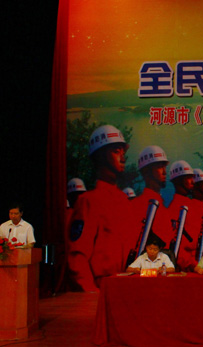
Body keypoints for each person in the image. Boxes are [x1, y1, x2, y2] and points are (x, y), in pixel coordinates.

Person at [67, 124, 138, 291]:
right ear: (100, 157)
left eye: (123, 152)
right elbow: (77, 257)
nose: (123, 157)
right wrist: (93, 295)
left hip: (128, 286)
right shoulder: (88, 202)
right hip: (102, 289)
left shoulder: (125, 202)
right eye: (116, 151)